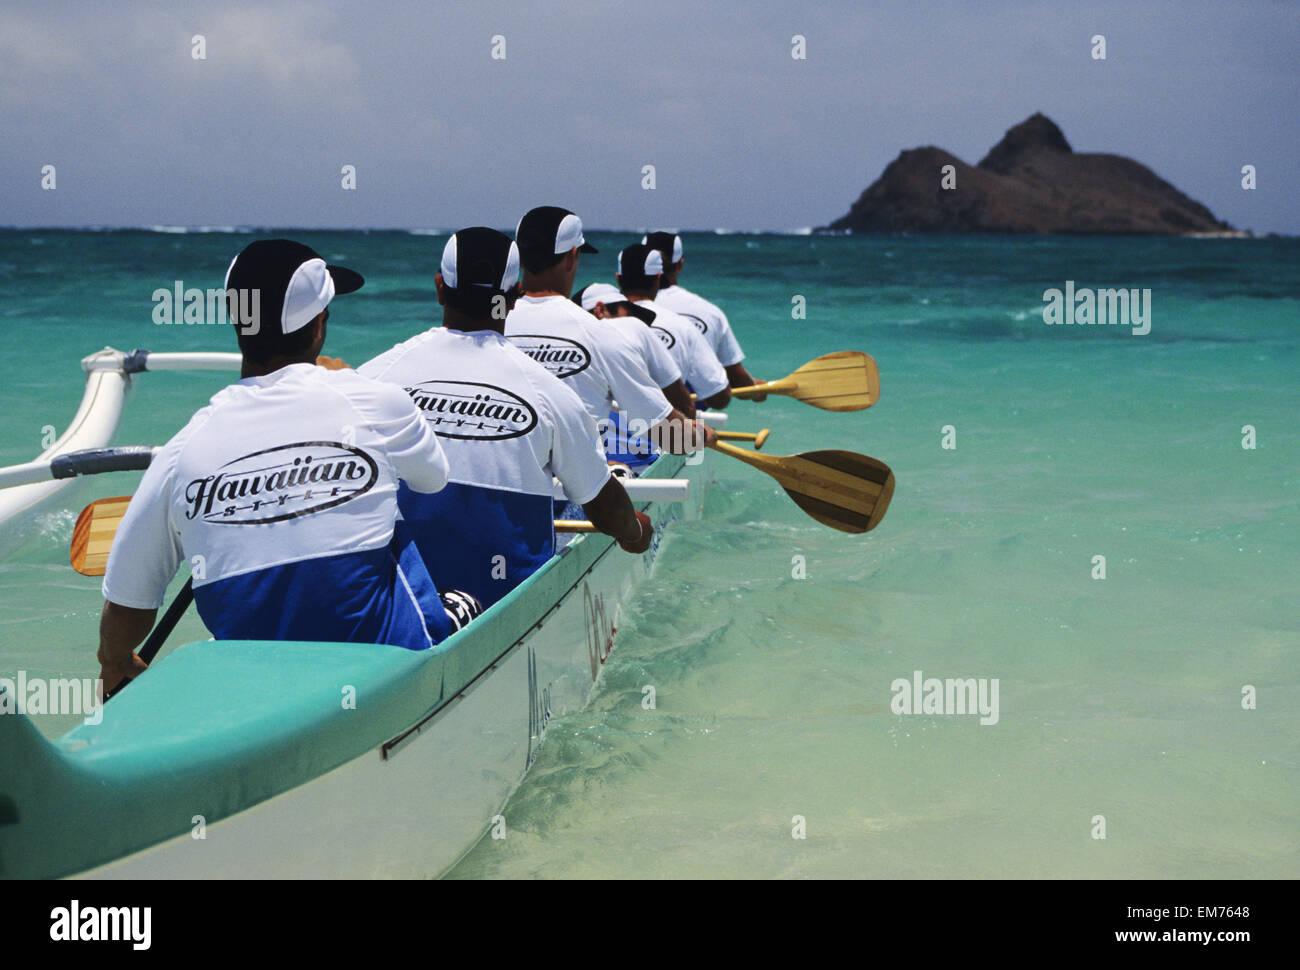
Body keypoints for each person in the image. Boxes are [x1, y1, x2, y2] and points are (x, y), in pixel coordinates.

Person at [98, 239, 465, 696]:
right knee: (396, 511)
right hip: (387, 678)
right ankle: (444, 623)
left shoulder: (182, 451)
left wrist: (113, 661)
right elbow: (432, 479)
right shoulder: (373, 400)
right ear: (319, 325)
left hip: (259, 697)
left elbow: (128, 602)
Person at [358, 227, 654, 609]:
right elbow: (603, 506)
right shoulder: (551, 394)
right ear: (514, 299)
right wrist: (634, 531)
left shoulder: (373, 377)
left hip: (404, 606)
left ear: (439, 288)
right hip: (509, 603)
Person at [503, 206, 712, 457]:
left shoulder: (489, 323)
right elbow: (673, 439)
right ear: (571, 257)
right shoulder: (601, 334)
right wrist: (701, 434)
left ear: (521, 259)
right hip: (573, 491)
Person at [642, 231, 762, 394]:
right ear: (680, 264)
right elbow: (737, 381)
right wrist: (756, 389)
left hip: (632, 406)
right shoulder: (711, 313)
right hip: (690, 412)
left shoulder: (616, 308)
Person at [615, 243, 731, 410]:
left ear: (618, 278)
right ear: (658, 278)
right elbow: (719, 397)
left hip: (606, 430)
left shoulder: (596, 319)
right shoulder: (682, 326)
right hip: (662, 432)